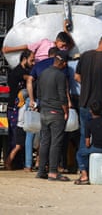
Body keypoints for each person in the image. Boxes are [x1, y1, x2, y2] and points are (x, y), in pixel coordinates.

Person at [75, 34, 102, 150]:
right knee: (101, 134)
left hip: (84, 102)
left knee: (85, 133)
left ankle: (83, 165)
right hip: (101, 104)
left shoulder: (85, 56)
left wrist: (86, 85)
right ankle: (97, 160)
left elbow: (76, 77)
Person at [35, 50, 70, 181]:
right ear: (64, 63)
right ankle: (53, 172)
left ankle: (41, 171)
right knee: (56, 142)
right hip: (56, 112)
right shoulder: (60, 75)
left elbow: (38, 92)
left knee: (45, 141)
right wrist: (66, 111)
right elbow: (62, 95)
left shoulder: (43, 73)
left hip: (44, 111)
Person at [5, 50, 34, 170]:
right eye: (32, 60)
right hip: (14, 108)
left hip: (18, 108)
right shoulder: (19, 72)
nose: (33, 63)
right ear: (24, 59)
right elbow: (31, 79)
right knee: (16, 137)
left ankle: (16, 162)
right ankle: (10, 161)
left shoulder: (23, 71)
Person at [74, 101, 102, 185]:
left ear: (91, 111)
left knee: (80, 154)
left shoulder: (89, 123)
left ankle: (84, 175)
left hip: (97, 147)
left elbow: (87, 143)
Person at [2, 21, 74, 63]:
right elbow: (28, 47)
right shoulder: (45, 42)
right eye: (63, 45)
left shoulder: (62, 50)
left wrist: (65, 30)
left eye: (65, 46)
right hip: (37, 66)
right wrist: (10, 49)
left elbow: (72, 44)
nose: (64, 47)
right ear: (57, 41)